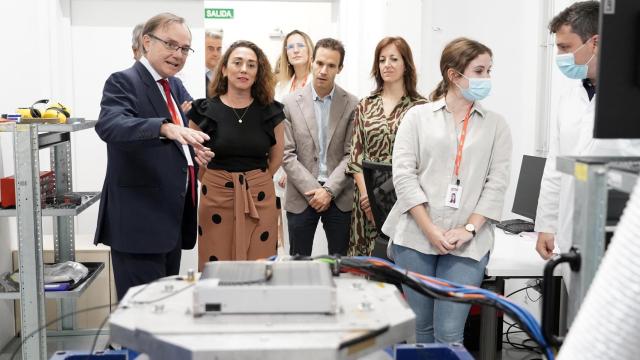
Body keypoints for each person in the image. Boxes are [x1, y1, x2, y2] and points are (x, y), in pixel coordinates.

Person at [382, 37, 512, 343]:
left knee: (450, 334)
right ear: (454, 75)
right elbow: (403, 176)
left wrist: (469, 228)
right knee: (420, 331)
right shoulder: (417, 117)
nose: (487, 78)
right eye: (479, 71)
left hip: (467, 243)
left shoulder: (496, 126)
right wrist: (429, 229)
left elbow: (497, 182)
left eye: (489, 70)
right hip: (415, 237)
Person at [95, 13, 214, 300]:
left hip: (169, 223)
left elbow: (174, 138)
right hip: (139, 226)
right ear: (146, 42)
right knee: (141, 318)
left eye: (185, 49)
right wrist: (164, 128)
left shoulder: (171, 85)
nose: (178, 54)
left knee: (163, 313)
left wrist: (191, 153)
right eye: (171, 45)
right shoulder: (123, 81)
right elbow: (110, 125)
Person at [535, 1, 640, 262]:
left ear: (594, 42)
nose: (560, 57)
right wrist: (546, 224)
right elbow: (555, 164)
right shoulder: (568, 98)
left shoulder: (630, 99)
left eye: (565, 48)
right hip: (572, 231)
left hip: (620, 232)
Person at [188, 40, 285, 269]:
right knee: (216, 261)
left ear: (258, 72)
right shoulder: (202, 110)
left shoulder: (272, 111)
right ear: (224, 69)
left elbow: (276, 158)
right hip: (216, 199)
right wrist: (220, 183)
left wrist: (254, 182)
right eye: (238, 63)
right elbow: (195, 160)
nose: (244, 69)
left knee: (260, 264)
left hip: (260, 199)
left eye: (251, 65)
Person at [346, 36, 427, 256]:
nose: (387, 65)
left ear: (406, 65)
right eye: (382, 60)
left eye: (394, 59)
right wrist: (367, 198)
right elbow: (355, 155)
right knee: (365, 267)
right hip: (365, 199)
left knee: (400, 263)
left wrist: (387, 194)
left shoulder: (421, 108)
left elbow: (423, 160)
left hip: (404, 198)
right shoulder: (365, 105)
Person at [282, 38, 358, 256]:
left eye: (331, 66)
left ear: (339, 68)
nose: (324, 70)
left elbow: (351, 154)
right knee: (298, 264)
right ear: (312, 62)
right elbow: (287, 155)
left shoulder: (352, 104)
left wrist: (328, 191)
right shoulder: (289, 103)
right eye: (320, 63)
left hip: (339, 194)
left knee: (340, 263)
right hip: (301, 194)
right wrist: (315, 191)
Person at [273, 30, 314, 252]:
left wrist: (292, 170)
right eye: (290, 47)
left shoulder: (319, 83)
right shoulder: (281, 88)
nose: (296, 50)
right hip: (282, 164)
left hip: (310, 168)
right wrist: (282, 168)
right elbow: (277, 130)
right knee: (285, 231)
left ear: (310, 50)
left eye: (300, 45)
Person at [205, 29, 223, 95]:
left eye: (219, 49)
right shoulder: (195, 74)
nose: (215, 54)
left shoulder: (227, 74)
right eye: (210, 48)